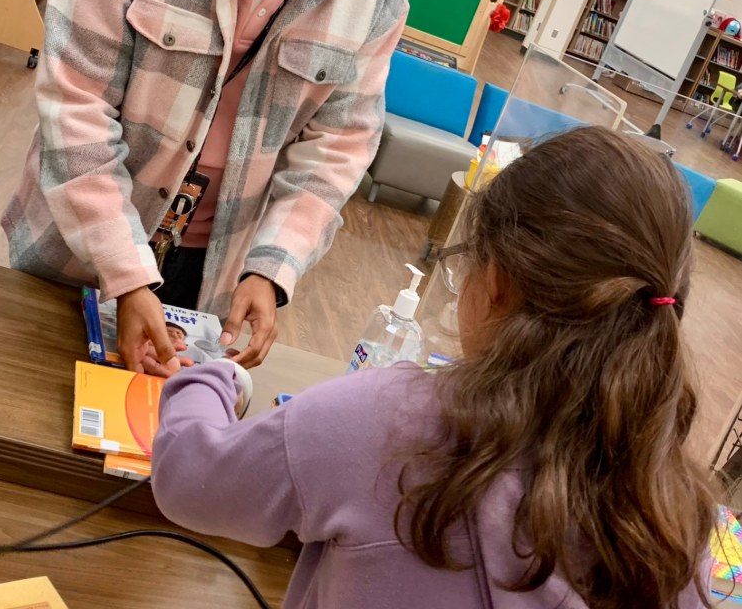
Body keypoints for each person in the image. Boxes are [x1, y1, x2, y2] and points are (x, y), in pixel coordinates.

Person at [152, 127, 715, 609]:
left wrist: (209, 374)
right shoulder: (676, 522)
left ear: (493, 281)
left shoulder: (384, 420)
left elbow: (188, 479)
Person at [3, 0, 423, 376]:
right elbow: (75, 108)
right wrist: (126, 273)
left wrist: (272, 268)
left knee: (160, 457)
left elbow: (337, 149)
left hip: (215, 281)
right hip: (75, 257)